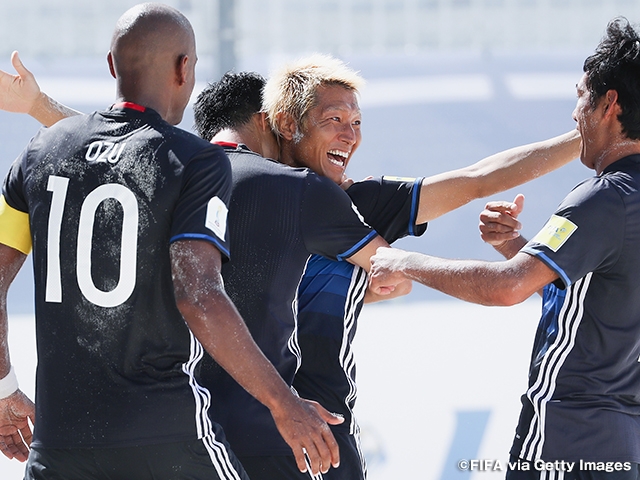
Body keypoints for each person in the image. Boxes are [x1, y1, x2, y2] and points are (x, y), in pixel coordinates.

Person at [0, 3, 343, 479]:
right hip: (168, 439)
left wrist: (4, 388)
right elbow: (198, 293)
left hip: (59, 445)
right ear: (185, 69)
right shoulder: (196, 161)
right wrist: (285, 404)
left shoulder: (39, 152)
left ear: (111, 65)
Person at [194, 59, 580, 478]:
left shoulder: (358, 202)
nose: (350, 134)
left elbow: (477, 179)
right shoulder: (245, 194)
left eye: (356, 122)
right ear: (283, 125)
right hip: (246, 433)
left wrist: (587, 138)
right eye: (334, 119)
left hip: (310, 435)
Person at [369, 17, 640, 479]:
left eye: (580, 95)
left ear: (608, 103)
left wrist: (403, 260)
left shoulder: (604, 197)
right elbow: (594, 308)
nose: (574, 113)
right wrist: (515, 244)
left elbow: (506, 289)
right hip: (622, 439)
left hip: (567, 432)